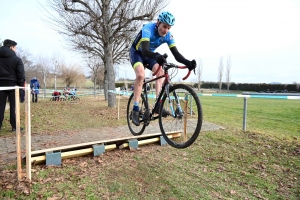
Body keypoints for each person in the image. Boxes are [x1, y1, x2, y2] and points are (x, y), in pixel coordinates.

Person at [129, 11, 197, 126]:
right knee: (141, 75)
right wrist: (156, 56)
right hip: (137, 53)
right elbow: (145, 50)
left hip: (149, 55)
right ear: (158, 23)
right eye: (164, 26)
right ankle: (135, 109)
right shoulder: (148, 28)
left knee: (161, 70)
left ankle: (158, 104)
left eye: (168, 28)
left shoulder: (168, 36)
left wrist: (188, 62)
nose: (165, 30)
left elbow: (176, 54)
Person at [0, 39, 25, 132]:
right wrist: (21, 86)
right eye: (15, 48)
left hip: (0, 85)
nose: (16, 50)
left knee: (0, 106)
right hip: (13, 86)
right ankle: (15, 126)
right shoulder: (17, 59)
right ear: (11, 47)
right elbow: (21, 74)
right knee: (14, 106)